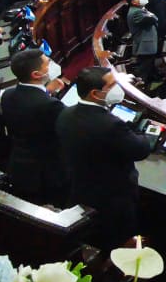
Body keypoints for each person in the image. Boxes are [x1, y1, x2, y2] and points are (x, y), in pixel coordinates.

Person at [57, 67, 152, 250]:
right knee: (118, 242)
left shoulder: (65, 114)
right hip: (114, 199)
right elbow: (141, 149)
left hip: (81, 189)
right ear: (95, 93)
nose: (117, 88)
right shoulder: (110, 125)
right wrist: (135, 128)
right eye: (112, 85)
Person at [0, 48, 68, 206]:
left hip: (18, 164)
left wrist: (47, 91)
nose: (51, 65)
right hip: (47, 172)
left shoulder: (8, 95)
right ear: (36, 74)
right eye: (47, 63)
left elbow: (30, 108)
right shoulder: (51, 106)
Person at [126, 0, 159, 87]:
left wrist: (151, 15)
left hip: (147, 43)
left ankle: (153, 80)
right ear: (133, 2)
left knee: (150, 65)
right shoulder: (136, 13)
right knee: (144, 70)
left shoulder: (140, 9)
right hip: (144, 45)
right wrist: (152, 16)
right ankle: (145, 88)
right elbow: (154, 19)